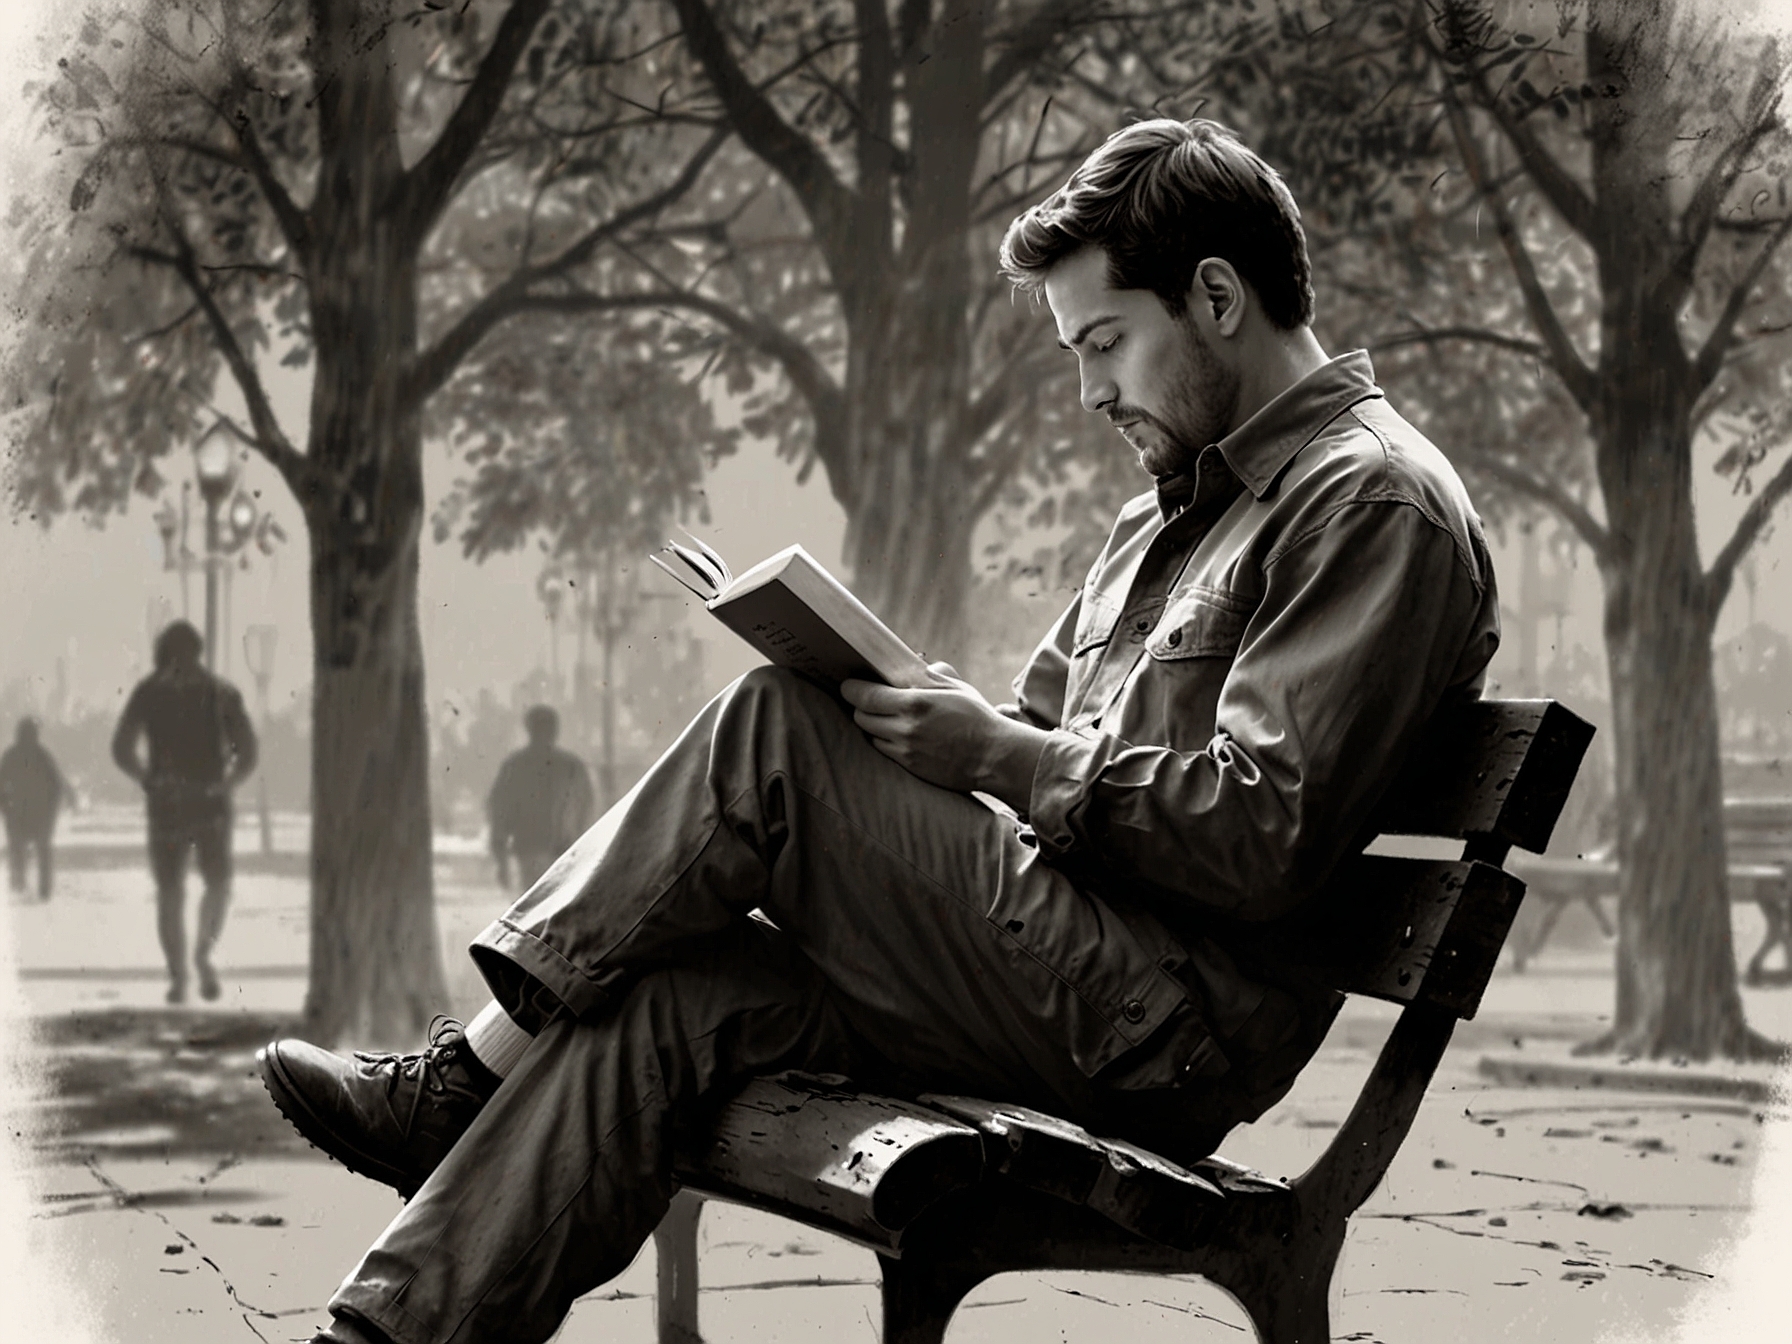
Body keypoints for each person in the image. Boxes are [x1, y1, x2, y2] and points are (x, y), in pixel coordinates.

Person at [259, 119, 1500, 1344]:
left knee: (774, 734)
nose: (1088, 391)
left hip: (1155, 1029)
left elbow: (1262, 833)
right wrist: (933, 716)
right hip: (1046, 967)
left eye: (1106, 344)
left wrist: (996, 758)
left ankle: (460, 1081)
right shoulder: (1160, 517)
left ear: (1218, 297)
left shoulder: (1370, 502)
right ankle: (384, 1336)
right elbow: (1037, 740)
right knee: (672, 999)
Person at [113, 620, 258, 1004]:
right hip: (210, 805)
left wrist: (146, 777)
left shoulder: (148, 692)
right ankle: (201, 956)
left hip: (167, 806)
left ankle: (180, 972)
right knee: (215, 885)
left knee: (171, 892)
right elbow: (248, 752)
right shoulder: (221, 692)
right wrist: (226, 782)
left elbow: (120, 747)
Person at [485, 705, 595, 893]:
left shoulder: (515, 765)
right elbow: (586, 807)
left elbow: (499, 812)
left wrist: (500, 858)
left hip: (530, 848)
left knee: (534, 904)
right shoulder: (571, 765)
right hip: (564, 850)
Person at [0, 718, 75, 900]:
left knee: (24, 851)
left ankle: (30, 890)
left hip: (26, 814)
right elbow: (58, 784)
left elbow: (57, 784)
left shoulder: (16, 755)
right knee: (35, 851)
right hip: (30, 814)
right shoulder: (38, 755)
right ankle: (36, 891)